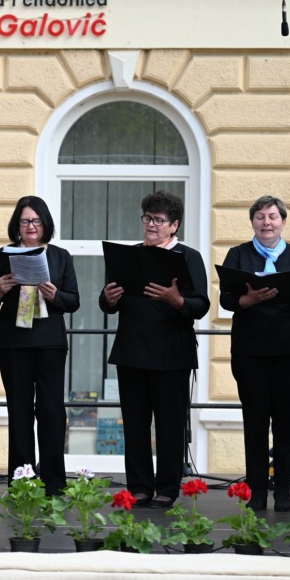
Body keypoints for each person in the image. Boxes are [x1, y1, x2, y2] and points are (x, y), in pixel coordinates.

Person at [100, 191, 209, 508]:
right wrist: (108, 298)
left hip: (171, 354)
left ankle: (167, 488)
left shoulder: (188, 257)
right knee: (134, 425)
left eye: (159, 220)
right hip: (132, 350)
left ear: (174, 225)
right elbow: (107, 301)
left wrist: (177, 301)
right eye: (147, 217)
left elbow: (201, 304)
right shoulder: (130, 255)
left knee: (170, 425)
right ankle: (139, 487)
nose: (150, 224)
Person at [220, 195, 290, 512]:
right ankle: (257, 491)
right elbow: (226, 299)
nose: (267, 222)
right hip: (250, 351)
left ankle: (282, 492)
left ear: (283, 222)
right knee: (255, 423)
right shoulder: (238, 254)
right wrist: (248, 300)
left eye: (273, 217)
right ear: (253, 222)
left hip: (289, 350)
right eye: (260, 217)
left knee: (286, 423)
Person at [0, 196, 79, 495]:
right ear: (17, 225)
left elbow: (73, 301)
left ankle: (54, 481)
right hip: (14, 343)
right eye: (25, 221)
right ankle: (22, 479)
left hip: (50, 342)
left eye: (36, 220)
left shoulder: (60, 256)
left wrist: (54, 295)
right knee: (19, 410)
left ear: (45, 223)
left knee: (51, 410)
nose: (31, 226)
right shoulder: (3, 255)